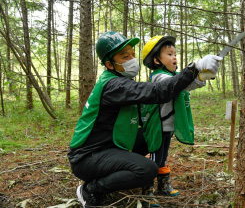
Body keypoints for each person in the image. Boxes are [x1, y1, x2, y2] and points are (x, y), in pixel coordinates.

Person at [67, 31, 221, 208]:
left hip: (109, 146)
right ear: (110, 64)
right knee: (147, 169)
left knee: (151, 137)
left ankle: (116, 174)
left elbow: (159, 97)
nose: (132, 59)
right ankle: (91, 189)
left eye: (133, 54)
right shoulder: (114, 85)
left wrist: (198, 78)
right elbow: (158, 91)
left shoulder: (122, 81)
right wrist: (193, 68)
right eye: (125, 56)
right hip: (87, 157)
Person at [140, 36, 222, 202]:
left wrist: (203, 75)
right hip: (158, 128)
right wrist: (196, 66)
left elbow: (185, 84)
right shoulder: (159, 77)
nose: (175, 57)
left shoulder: (174, 77)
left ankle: (163, 186)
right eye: (169, 54)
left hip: (168, 127)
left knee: (162, 158)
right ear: (156, 60)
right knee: (155, 159)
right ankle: (147, 190)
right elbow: (176, 83)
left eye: (175, 54)